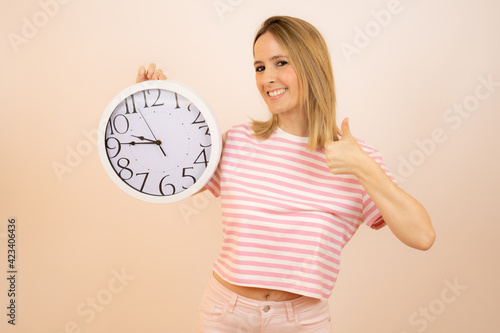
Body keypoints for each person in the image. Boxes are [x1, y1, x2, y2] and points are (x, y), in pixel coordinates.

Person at [136, 15, 435, 333]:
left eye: (281, 63)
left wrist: (364, 167)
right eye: (260, 67)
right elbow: (166, 179)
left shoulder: (355, 158)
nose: (267, 78)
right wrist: (152, 113)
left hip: (303, 321)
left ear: (312, 66)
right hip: (224, 314)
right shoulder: (238, 141)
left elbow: (422, 236)